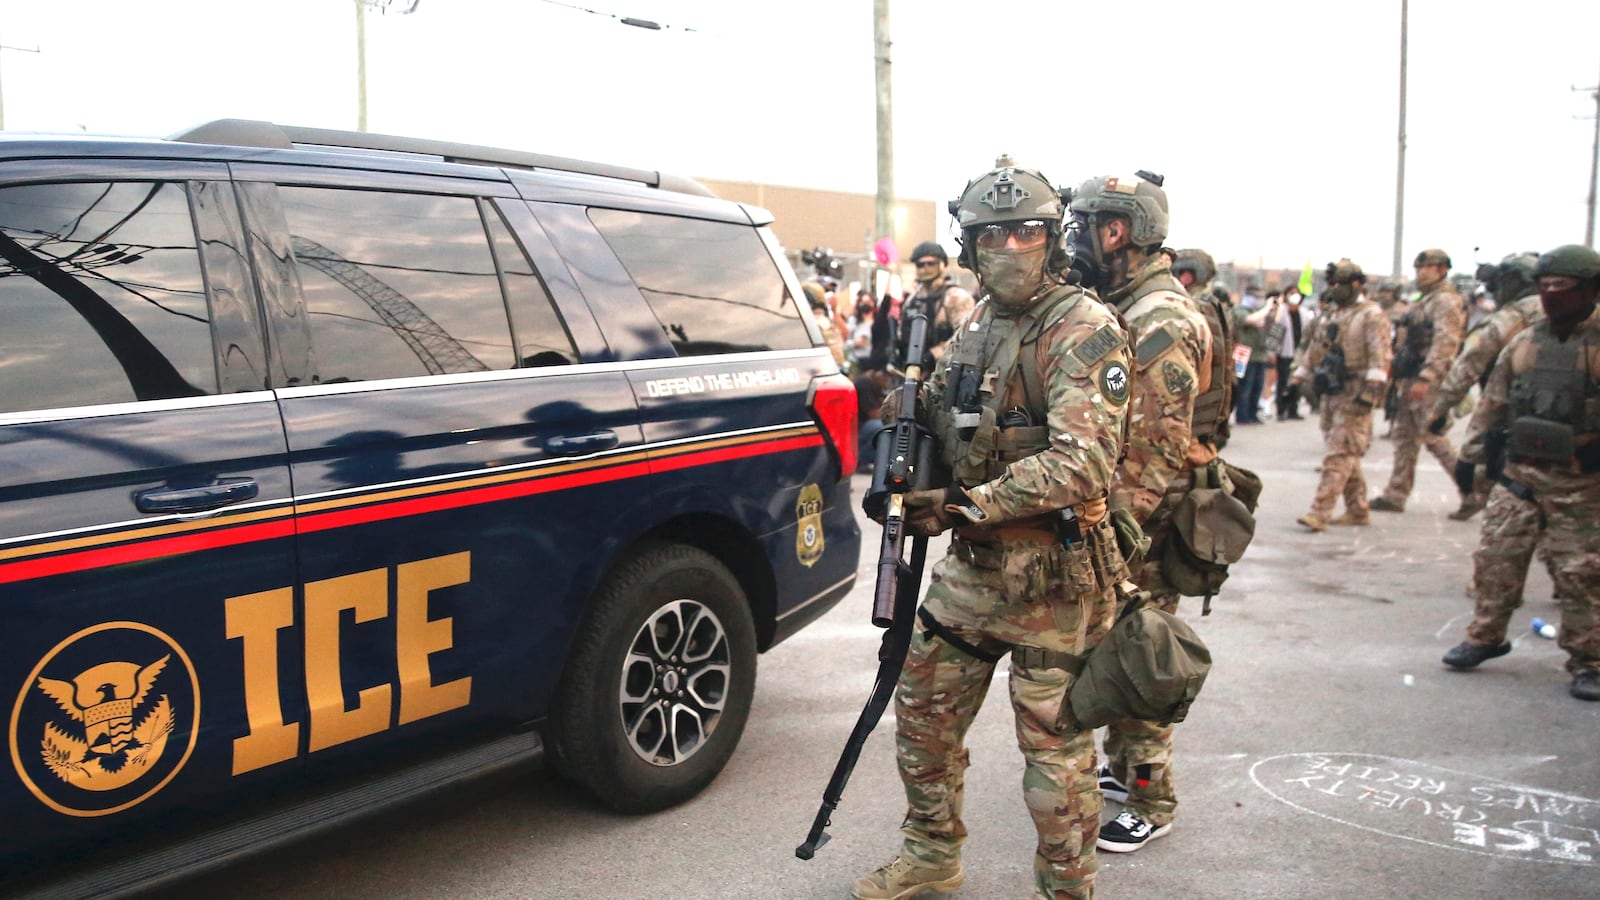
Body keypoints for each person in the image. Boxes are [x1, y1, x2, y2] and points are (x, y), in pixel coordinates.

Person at [853, 157, 1134, 900]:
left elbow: (1083, 463)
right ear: (969, 247)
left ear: (1054, 238)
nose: (1010, 248)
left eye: (1027, 232)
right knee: (922, 712)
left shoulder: (1084, 327)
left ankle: (1067, 889)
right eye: (992, 235)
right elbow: (948, 416)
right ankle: (931, 854)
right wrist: (904, 445)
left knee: (1054, 756)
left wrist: (964, 505)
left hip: (1058, 577)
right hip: (975, 572)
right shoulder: (978, 324)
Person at [1068, 173, 1212, 853]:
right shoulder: (1125, 302)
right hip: (1123, 520)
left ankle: (1153, 800)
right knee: (1114, 651)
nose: (1075, 237)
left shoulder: (1161, 318)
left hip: (1142, 528)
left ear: (1116, 230)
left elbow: (1156, 449)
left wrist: (1110, 540)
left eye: (1083, 224)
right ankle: (1127, 777)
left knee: (1140, 653)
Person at [1439, 244, 1600, 702]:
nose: (1552, 296)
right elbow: (1494, 401)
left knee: (1582, 576)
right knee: (1496, 559)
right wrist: (1470, 457)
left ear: (1588, 289)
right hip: (1521, 475)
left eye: (1563, 288)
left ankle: (1589, 661)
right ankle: (1485, 637)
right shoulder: (1526, 341)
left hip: (1583, 483)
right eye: (1545, 287)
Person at [1428, 252, 1543, 520]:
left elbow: (1467, 368)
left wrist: (1439, 410)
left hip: (1516, 418)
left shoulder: (1508, 319)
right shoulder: (1582, 313)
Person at [1290, 260, 1392, 531]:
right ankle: (1358, 509)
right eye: (1332, 284)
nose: (1335, 289)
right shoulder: (1332, 314)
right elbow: (1316, 347)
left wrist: (1372, 392)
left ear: (1356, 284)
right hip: (1332, 391)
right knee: (1345, 452)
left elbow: (1379, 357)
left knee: (1340, 453)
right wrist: (1302, 373)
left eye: (1340, 285)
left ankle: (1319, 512)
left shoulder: (1370, 315)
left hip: (1356, 392)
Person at [1371, 249, 1468, 513]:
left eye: (1426, 268)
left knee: (1433, 437)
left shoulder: (1446, 301)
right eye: (1418, 268)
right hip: (1409, 377)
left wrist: (1428, 377)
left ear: (1441, 270)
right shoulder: (1424, 300)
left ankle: (1471, 490)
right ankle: (1396, 494)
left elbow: (1445, 343)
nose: (1420, 273)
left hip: (1428, 380)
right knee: (1404, 437)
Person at [1172, 248, 1235, 449]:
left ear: (1186, 277)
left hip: (1192, 426)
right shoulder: (1211, 306)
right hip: (1204, 425)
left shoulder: (1191, 309)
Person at [895, 240, 974, 372]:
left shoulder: (955, 297)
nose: (925, 268)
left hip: (945, 372)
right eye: (920, 264)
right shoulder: (912, 300)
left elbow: (967, 337)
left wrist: (936, 353)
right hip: (913, 372)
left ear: (943, 264)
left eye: (931, 263)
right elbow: (902, 333)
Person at [1229, 286, 1270, 424]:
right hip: (1244, 355)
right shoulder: (1239, 310)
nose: (1258, 300)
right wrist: (1268, 307)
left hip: (1260, 354)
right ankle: (1242, 415)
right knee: (1244, 387)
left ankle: (1253, 413)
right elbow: (1250, 320)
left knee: (1257, 387)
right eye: (1256, 297)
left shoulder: (1259, 312)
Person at [1273, 288, 1305, 419]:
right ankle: (1281, 409)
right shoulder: (1281, 312)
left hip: (1299, 352)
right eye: (1291, 293)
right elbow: (1275, 332)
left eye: (1296, 293)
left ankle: (1293, 409)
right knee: (1283, 381)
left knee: (1296, 382)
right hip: (1284, 352)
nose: (1294, 296)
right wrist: (1272, 352)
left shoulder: (1303, 313)